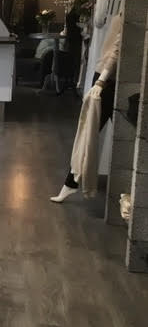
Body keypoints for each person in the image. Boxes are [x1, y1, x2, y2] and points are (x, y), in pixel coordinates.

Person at [51, 14, 123, 202]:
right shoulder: (131, 10)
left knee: (95, 132)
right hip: (109, 80)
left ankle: (70, 184)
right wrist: (101, 81)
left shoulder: (124, 10)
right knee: (90, 132)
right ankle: (70, 183)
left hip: (108, 77)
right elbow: (116, 50)